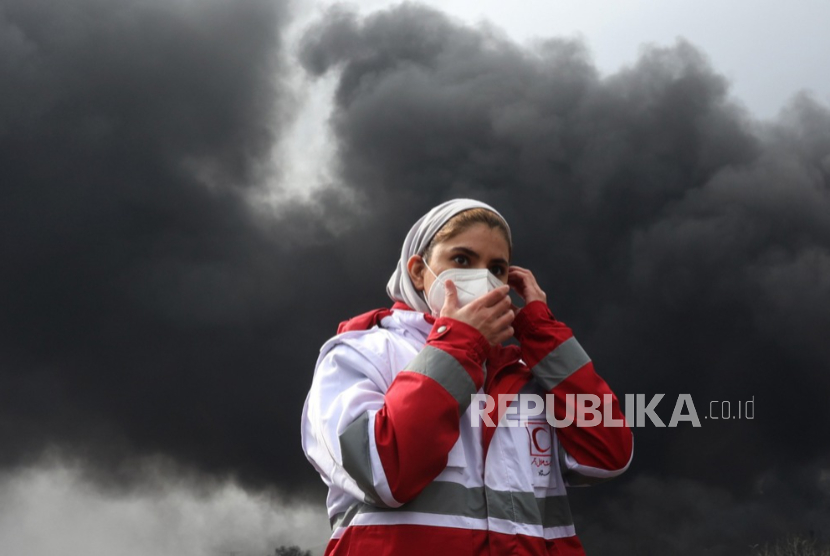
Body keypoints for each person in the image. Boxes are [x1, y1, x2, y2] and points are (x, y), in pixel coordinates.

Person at [301, 199, 633, 555]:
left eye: (497, 268)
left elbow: (609, 455)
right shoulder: (359, 354)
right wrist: (460, 344)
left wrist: (540, 332)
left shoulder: (524, 375)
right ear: (417, 271)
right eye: (462, 260)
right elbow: (382, 473)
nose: (482, 278)